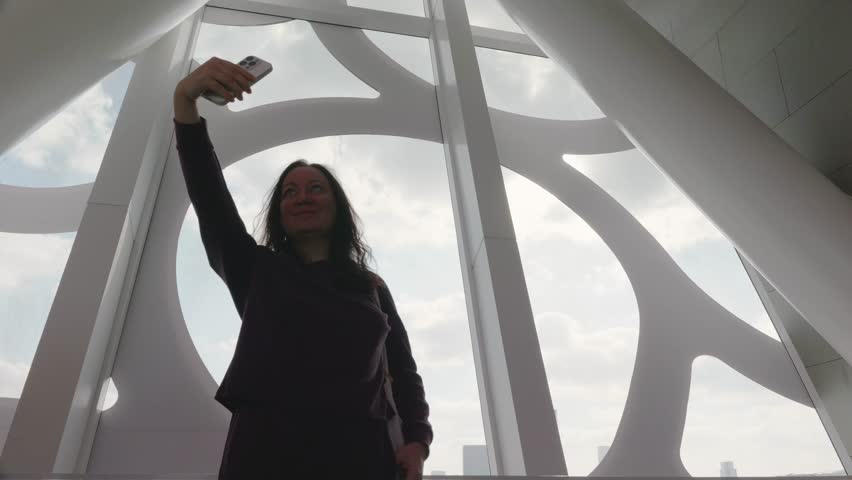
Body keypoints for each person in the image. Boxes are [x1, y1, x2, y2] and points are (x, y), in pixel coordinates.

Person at [173, 57, 432, 479]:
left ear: (338, 207)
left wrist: (417, 440)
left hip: (361, 454)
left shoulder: (371, 286)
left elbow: (403, 370)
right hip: (266, 452)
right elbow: (209, 194)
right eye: (290, 192)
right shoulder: (255, 270)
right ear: (280, 212)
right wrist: (185, 101)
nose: (303, 197)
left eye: (316, 188)